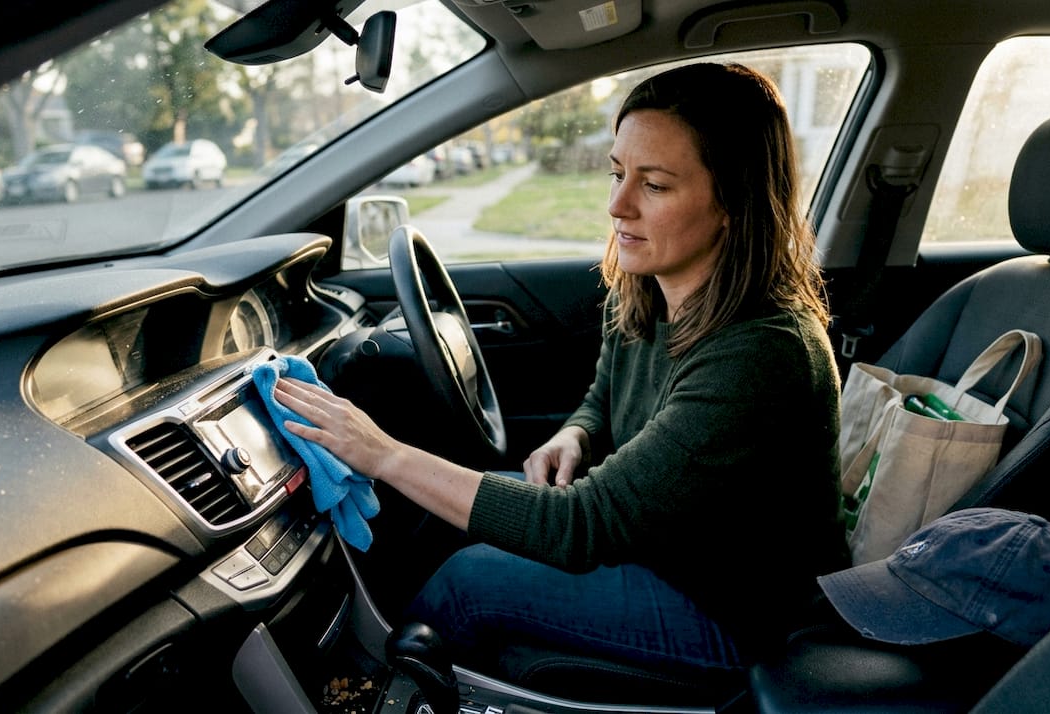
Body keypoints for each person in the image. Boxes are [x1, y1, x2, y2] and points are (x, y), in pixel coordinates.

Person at [274, 62, 850, 678]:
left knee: (470, 580)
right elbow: (605, 398)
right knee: (449, 525)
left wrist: (382, 454)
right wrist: (573, 434)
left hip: (738, 614)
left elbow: (580, 525)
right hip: (661, 551)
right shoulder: (653, 290)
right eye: (617, 173)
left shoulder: (761, 351)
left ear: (735, 201)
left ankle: (372, 688)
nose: (617, 205)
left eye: (654, 186)